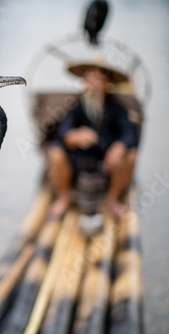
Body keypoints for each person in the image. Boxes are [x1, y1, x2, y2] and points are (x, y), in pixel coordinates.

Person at [48, 59, 139, 218]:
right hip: (79, 160)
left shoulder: (117, 108)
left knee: (131, 155)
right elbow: (62, 131)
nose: (92, 84)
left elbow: (130, 133)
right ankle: (64, 197)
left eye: (98, 79)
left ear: (107, 83)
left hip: (107, 160)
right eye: (88, 78)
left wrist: (119, 146)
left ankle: (112, 199)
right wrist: (73, 136)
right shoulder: (75, 107)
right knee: (55, 152)